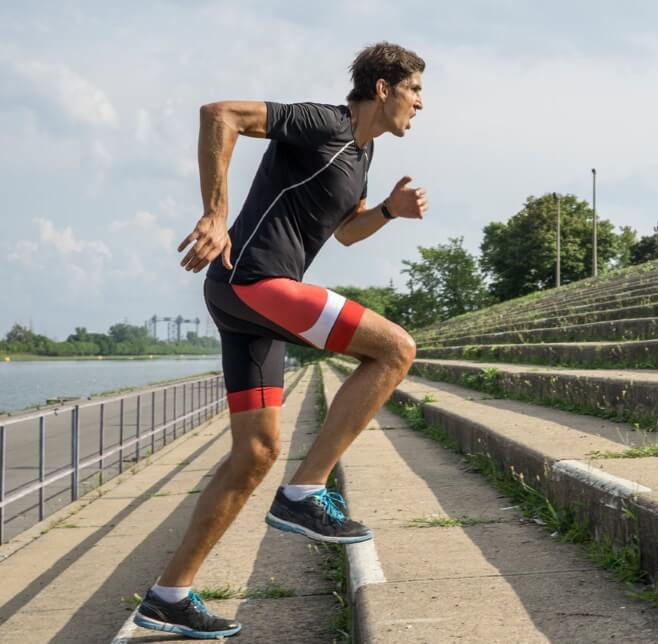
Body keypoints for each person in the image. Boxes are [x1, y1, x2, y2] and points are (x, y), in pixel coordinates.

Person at [133, 42, 426, 639]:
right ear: (382, 88)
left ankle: (169, 594)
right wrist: (215, 214)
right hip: (254, 281)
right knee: (395, 349)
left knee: (256, 453)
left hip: (249, 299)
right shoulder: (325, 122)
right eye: (415, 90)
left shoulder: (361, 156)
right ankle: (306, 492)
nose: (420, 104)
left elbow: (345, 232)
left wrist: (389, 213)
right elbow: (221, 114)